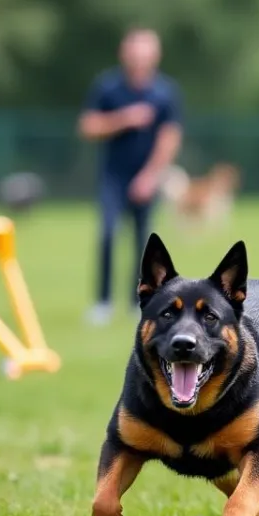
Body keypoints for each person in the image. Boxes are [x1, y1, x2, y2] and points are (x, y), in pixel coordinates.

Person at [78, 27, 184, 325]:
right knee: (108, 234)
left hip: (148, 179)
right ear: (124, 54)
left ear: (155, 56)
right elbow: (88, 126)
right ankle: (103, 303)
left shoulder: (165, 92)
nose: (139, 59)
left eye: (145, 54)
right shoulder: (108, 87)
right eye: (134, 53)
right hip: (113, 176)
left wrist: (150, 176)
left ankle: (139, 301)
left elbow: (170, 137)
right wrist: (124, 119)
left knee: (144, 245)